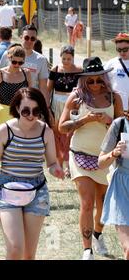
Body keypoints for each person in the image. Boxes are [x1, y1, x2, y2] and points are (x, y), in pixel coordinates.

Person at [0, 87, 65, 260]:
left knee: (28, 254)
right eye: (26, 110)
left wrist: (55, 169)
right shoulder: (4, 131)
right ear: (17, 109)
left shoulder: (46, 132)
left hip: (37, 191)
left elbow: (50, 162)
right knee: (15, 249)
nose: (31, 115)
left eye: (36, 111)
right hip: (7, 190)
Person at [59, 57, 124, 260]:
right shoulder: (76, 98)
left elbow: (122, 128)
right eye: (90, 81)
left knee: (103, 204)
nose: (95, 85)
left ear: (104, 79)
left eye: (98, 80)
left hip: (106, 157)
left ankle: (97, 234)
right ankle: (87, 250)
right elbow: (61, 127)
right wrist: (84, 119)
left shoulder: (114, 98)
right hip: (80, 154)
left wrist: (108, 121)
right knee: (87, 203)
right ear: (83, 81)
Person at [47, 45, 83, 177]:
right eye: (63, 59)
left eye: (69, 59)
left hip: (73, 104)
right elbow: (48, 90)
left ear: (73, 58)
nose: (66, 61)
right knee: (57, 135)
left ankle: (69, 165)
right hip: (57, 104)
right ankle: (59, 164)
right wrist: (47, 107)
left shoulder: (79, 71)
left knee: (70, 134)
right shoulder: (55, 70)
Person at [98, 113, 129, 260]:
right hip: (122, 187)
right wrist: (114, 153)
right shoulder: (120, 124)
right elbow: (101, 162)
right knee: (128, 249)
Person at [0, 25, 50, 102]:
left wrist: (47, 107)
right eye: (26, 38)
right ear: (21, 37)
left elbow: (43, 87)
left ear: (36, 40)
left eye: (32, 38)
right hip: (9, 101)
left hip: (31, 102)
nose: (29, 41)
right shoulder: (7, 55)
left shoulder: (41, 60)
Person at [0, 46, 31, 137]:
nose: (17, 65)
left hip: (21, 113)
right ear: (9, 58)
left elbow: (30, 97)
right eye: (14, 62)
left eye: (20, 63)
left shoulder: (26, 73)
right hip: (4, 111)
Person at [104, 33, 129, 111]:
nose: (122, 52)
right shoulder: (111, 63)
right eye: (119, 50)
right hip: (115, 108)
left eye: (125, 49)